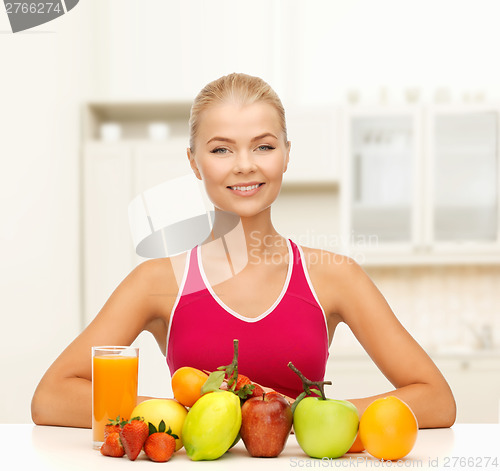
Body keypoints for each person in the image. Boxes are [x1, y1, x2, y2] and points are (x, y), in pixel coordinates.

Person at [31, 72, 456, 429]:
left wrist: (302, 415)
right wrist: (180, 415)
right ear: (194, 162)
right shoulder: (157, 282)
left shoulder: (335, 276)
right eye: (221, 149)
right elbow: (51, 397)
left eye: (264, 146)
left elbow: (436, 400)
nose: (244, 165)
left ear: (286, 155)